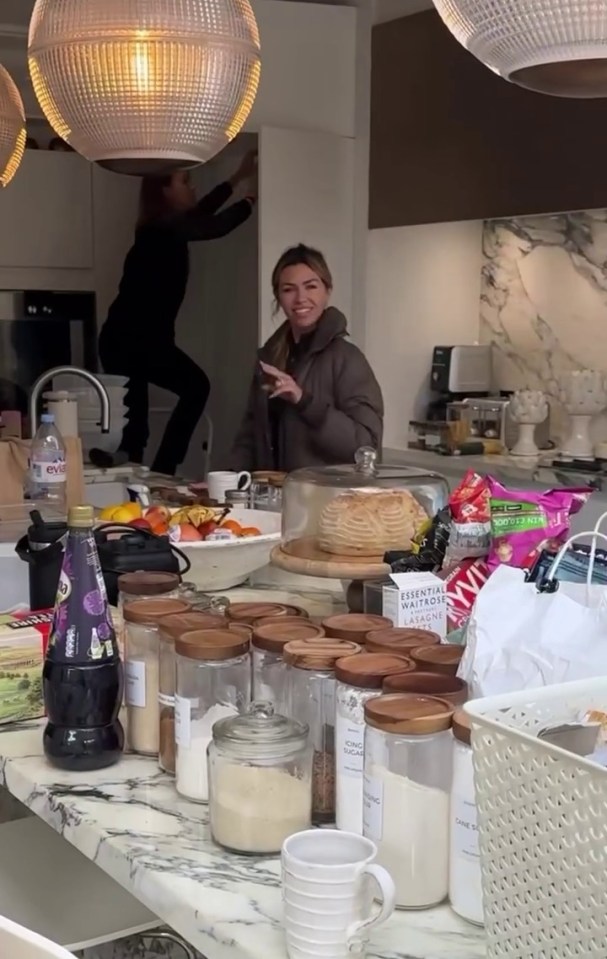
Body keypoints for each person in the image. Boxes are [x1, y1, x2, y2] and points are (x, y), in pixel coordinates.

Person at [96, 152, 257, 475]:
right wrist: (252, 199)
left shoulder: (162, 228)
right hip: (136, 339)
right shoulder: (164, 230)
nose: (193, 187)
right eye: (185, 182)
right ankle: (162, 469)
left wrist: (237, 178)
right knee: (193, 388)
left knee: (136, 428)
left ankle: (138, 465)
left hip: (123, 338)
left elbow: (202, 213)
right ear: (164, 192)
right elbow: (215, 225)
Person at [229, 244, 383, 471]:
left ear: (327, 290)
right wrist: (226, 481)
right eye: (289, 289)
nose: (301, 298)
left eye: (311, 286)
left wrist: (305, 402)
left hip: (324, 502)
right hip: (271, 501)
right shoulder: (269, 358)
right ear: (278, 297)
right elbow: (251, 435)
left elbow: (367, 449)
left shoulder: (347, 359)